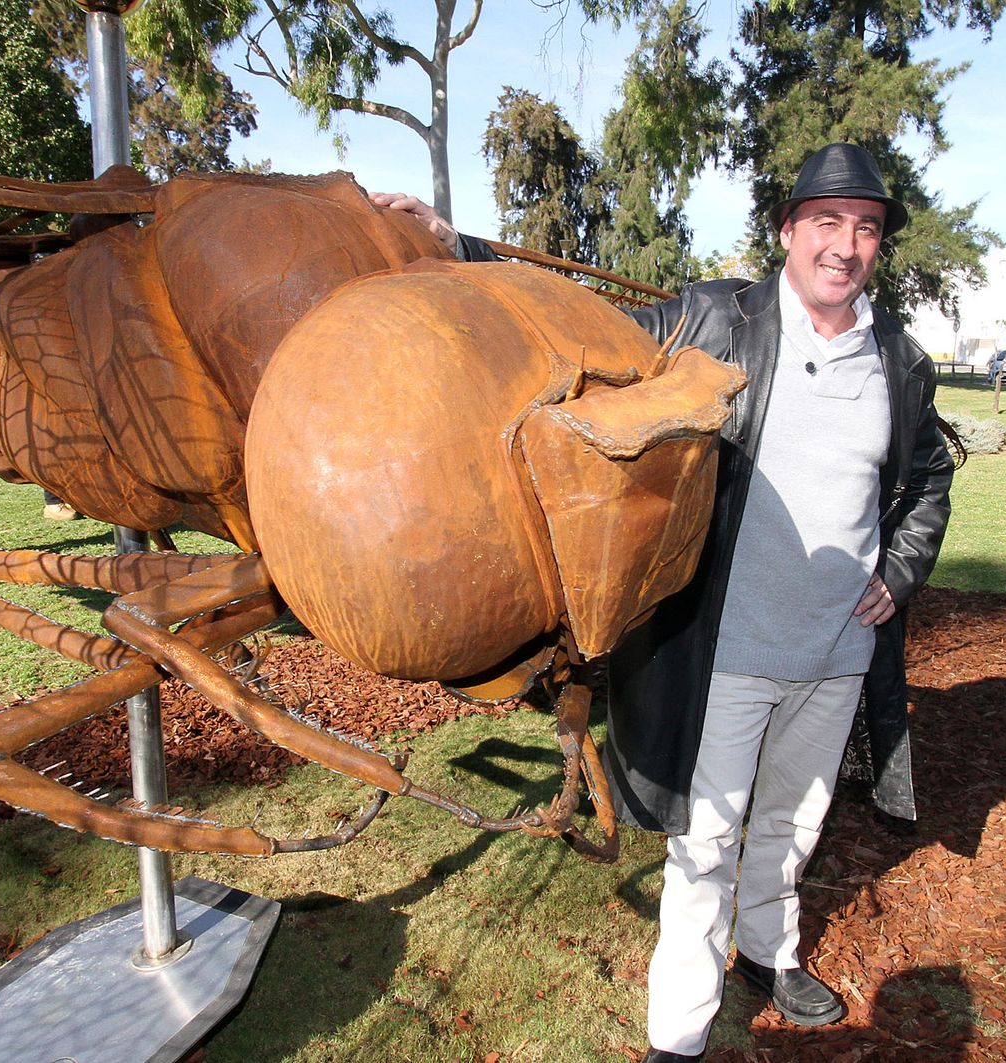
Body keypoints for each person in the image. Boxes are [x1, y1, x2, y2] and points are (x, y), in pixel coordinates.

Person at [373, 142, 953, 1061]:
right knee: (705, 839)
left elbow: (927, 475)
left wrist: (902, 570)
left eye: (867, 228)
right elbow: (589, 327)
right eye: (828, 223)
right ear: (789, 231)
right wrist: (460, 246)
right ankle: (678, 1035)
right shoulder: (722, 318)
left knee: (794, 821)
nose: (846, 245)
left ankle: (768, 950)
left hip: (839, 650)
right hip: (724, 644)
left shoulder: (898, 358)